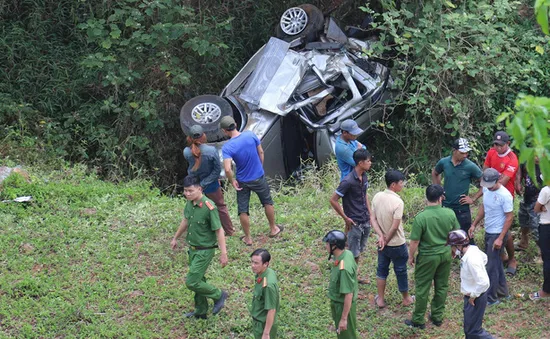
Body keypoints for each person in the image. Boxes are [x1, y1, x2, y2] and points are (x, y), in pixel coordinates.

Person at [170, 175, 228, 319]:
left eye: (190, 191)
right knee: (199, 281)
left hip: (205, 251)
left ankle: (219, 295)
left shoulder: (209, 207)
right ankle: (201, 311)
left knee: (192, 282)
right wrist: (175, 237)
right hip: (193, 250)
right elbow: (185, 221)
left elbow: (219, 230)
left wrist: (223, 253)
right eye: (185, 191)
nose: (187, 194)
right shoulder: (190, 203)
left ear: (200, 189)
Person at [220, 116, 283, 246]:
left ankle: (248, 238)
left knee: (243, 209)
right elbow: (261, 152)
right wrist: (260, 167)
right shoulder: (250, 135)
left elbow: (227, 169)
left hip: (242, 180)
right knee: (267, 202)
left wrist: (232, 181)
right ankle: (273, 228)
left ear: (224, 131)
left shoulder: (227, 147)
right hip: (258, 176)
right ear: (235, 124)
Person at [405, 184, 459, 329]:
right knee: (441, 286)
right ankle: (437, 317)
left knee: (422, 287)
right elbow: (455, 235)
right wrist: (453, 249)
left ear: (426, 198)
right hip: (445, 254)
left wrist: (411, 256)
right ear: (441, 198)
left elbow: (415, 241)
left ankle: (418, 319)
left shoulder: (421, 217)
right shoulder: (450, 213)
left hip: (428, 256)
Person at [474, 131, 519, 275]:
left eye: (500, 145)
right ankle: (501, 255)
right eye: (495, 144)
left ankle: (512, 259)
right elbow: (485, 172)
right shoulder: (491, 152)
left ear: (507, 144)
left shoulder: (512, 159)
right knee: (492, 226)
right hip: (490, 191)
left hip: (505, 195)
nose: (497, 147)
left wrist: (489, 188)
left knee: (505, 230)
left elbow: (503, 181)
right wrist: (481, 193)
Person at [370, 169, 414, 308]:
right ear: (393, 185)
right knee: (400, 270)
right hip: (396, 243)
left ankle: (381, 299)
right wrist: (386, 240)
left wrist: (381, 237)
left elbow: (373, 218)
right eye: (401, 183)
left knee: (382, 270)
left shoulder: (377, 196)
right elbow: (395, 227)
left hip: (382, 243)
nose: (403, 185)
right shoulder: (397, 202)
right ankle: (406, 299)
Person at [469, 168, 513, 306]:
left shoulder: (505, 195)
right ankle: (503, 292)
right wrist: (474, 224)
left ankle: (491, 298)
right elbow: (483, 207)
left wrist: (500, 238)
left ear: (498, 180)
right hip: (489, 231)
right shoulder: (487, 189)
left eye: (491, 185)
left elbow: (509, 217)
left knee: (491, 266)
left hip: (497, 233)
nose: (488, 187)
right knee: (496, 263)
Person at [329, 149, 373, 282]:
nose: (370, 163)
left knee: (358, 250)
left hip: (365, 219)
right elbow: (333, 200)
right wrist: (345, 218)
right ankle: (348, 277)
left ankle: (352, 274)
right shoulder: (348, 181)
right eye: (368, 161)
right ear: (360, 163)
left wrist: (370, 214)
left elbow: (364, 195)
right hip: (354, 222)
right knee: (353, 251)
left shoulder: (364, 176)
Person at [183, 124, 235, 236]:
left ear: (190, 138)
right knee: (220, 206)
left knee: (196, 207)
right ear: (203, 136)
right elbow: (216, 171)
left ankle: (199, 231)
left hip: (194, 186)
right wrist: (204, 183)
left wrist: (198, 184)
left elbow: (191, 170)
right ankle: (229, 231)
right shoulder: (211, 151)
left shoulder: (186, 152)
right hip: (211, 185)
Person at [432, 138, 482, 240]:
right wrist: (439, 191)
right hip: (446, 206)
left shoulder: (470, 166)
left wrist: (473, 198)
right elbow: (435, 173)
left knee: (465, 236)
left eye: (466, 153)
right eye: (462, 153)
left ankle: (467, 254)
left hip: (462, 209)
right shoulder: (444, 162)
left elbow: (485, 183)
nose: (465, 155)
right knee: (446, 235)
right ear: (454, 151)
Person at [447, 230, 493, 339]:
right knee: (469, 330)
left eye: (452, 246)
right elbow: (485, 258)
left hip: (475, 297)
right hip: (473, 295)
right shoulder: (472, 250)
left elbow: (484, 282)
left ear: (459, 245)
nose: (451, 249)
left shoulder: (471, 260)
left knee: (473, 331)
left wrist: (473, 296)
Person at [323, 230, 358, 339]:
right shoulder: (347, 254)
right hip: (339, 304)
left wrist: (343, 319)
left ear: (334, 246)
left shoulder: (344, 268)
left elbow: (348, 294)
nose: (326, 245)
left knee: (347, 336)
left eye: (327, 243)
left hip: (343, 306)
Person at [250, 248, 280, 339]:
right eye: (252, 262)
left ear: (266, 264)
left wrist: (266, 333)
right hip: (259, 321)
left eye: (256, 263)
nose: (252, 265)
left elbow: (271, 310)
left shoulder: (268, 285)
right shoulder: (265, 273)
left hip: (263, 324)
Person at [514, 159, 542, 250]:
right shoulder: (527, 160)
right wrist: (518, 182)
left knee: (536, 228)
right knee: (523, 220)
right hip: (527, 197)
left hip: (539, 201)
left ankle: (544, 252)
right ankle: (523, 242)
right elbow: (519, 169)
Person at [532, 180, 550, 300]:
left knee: (548, 259)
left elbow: (536, 209)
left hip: (547, 226)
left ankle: (546, 291)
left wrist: (543, 207)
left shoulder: (546, 190)